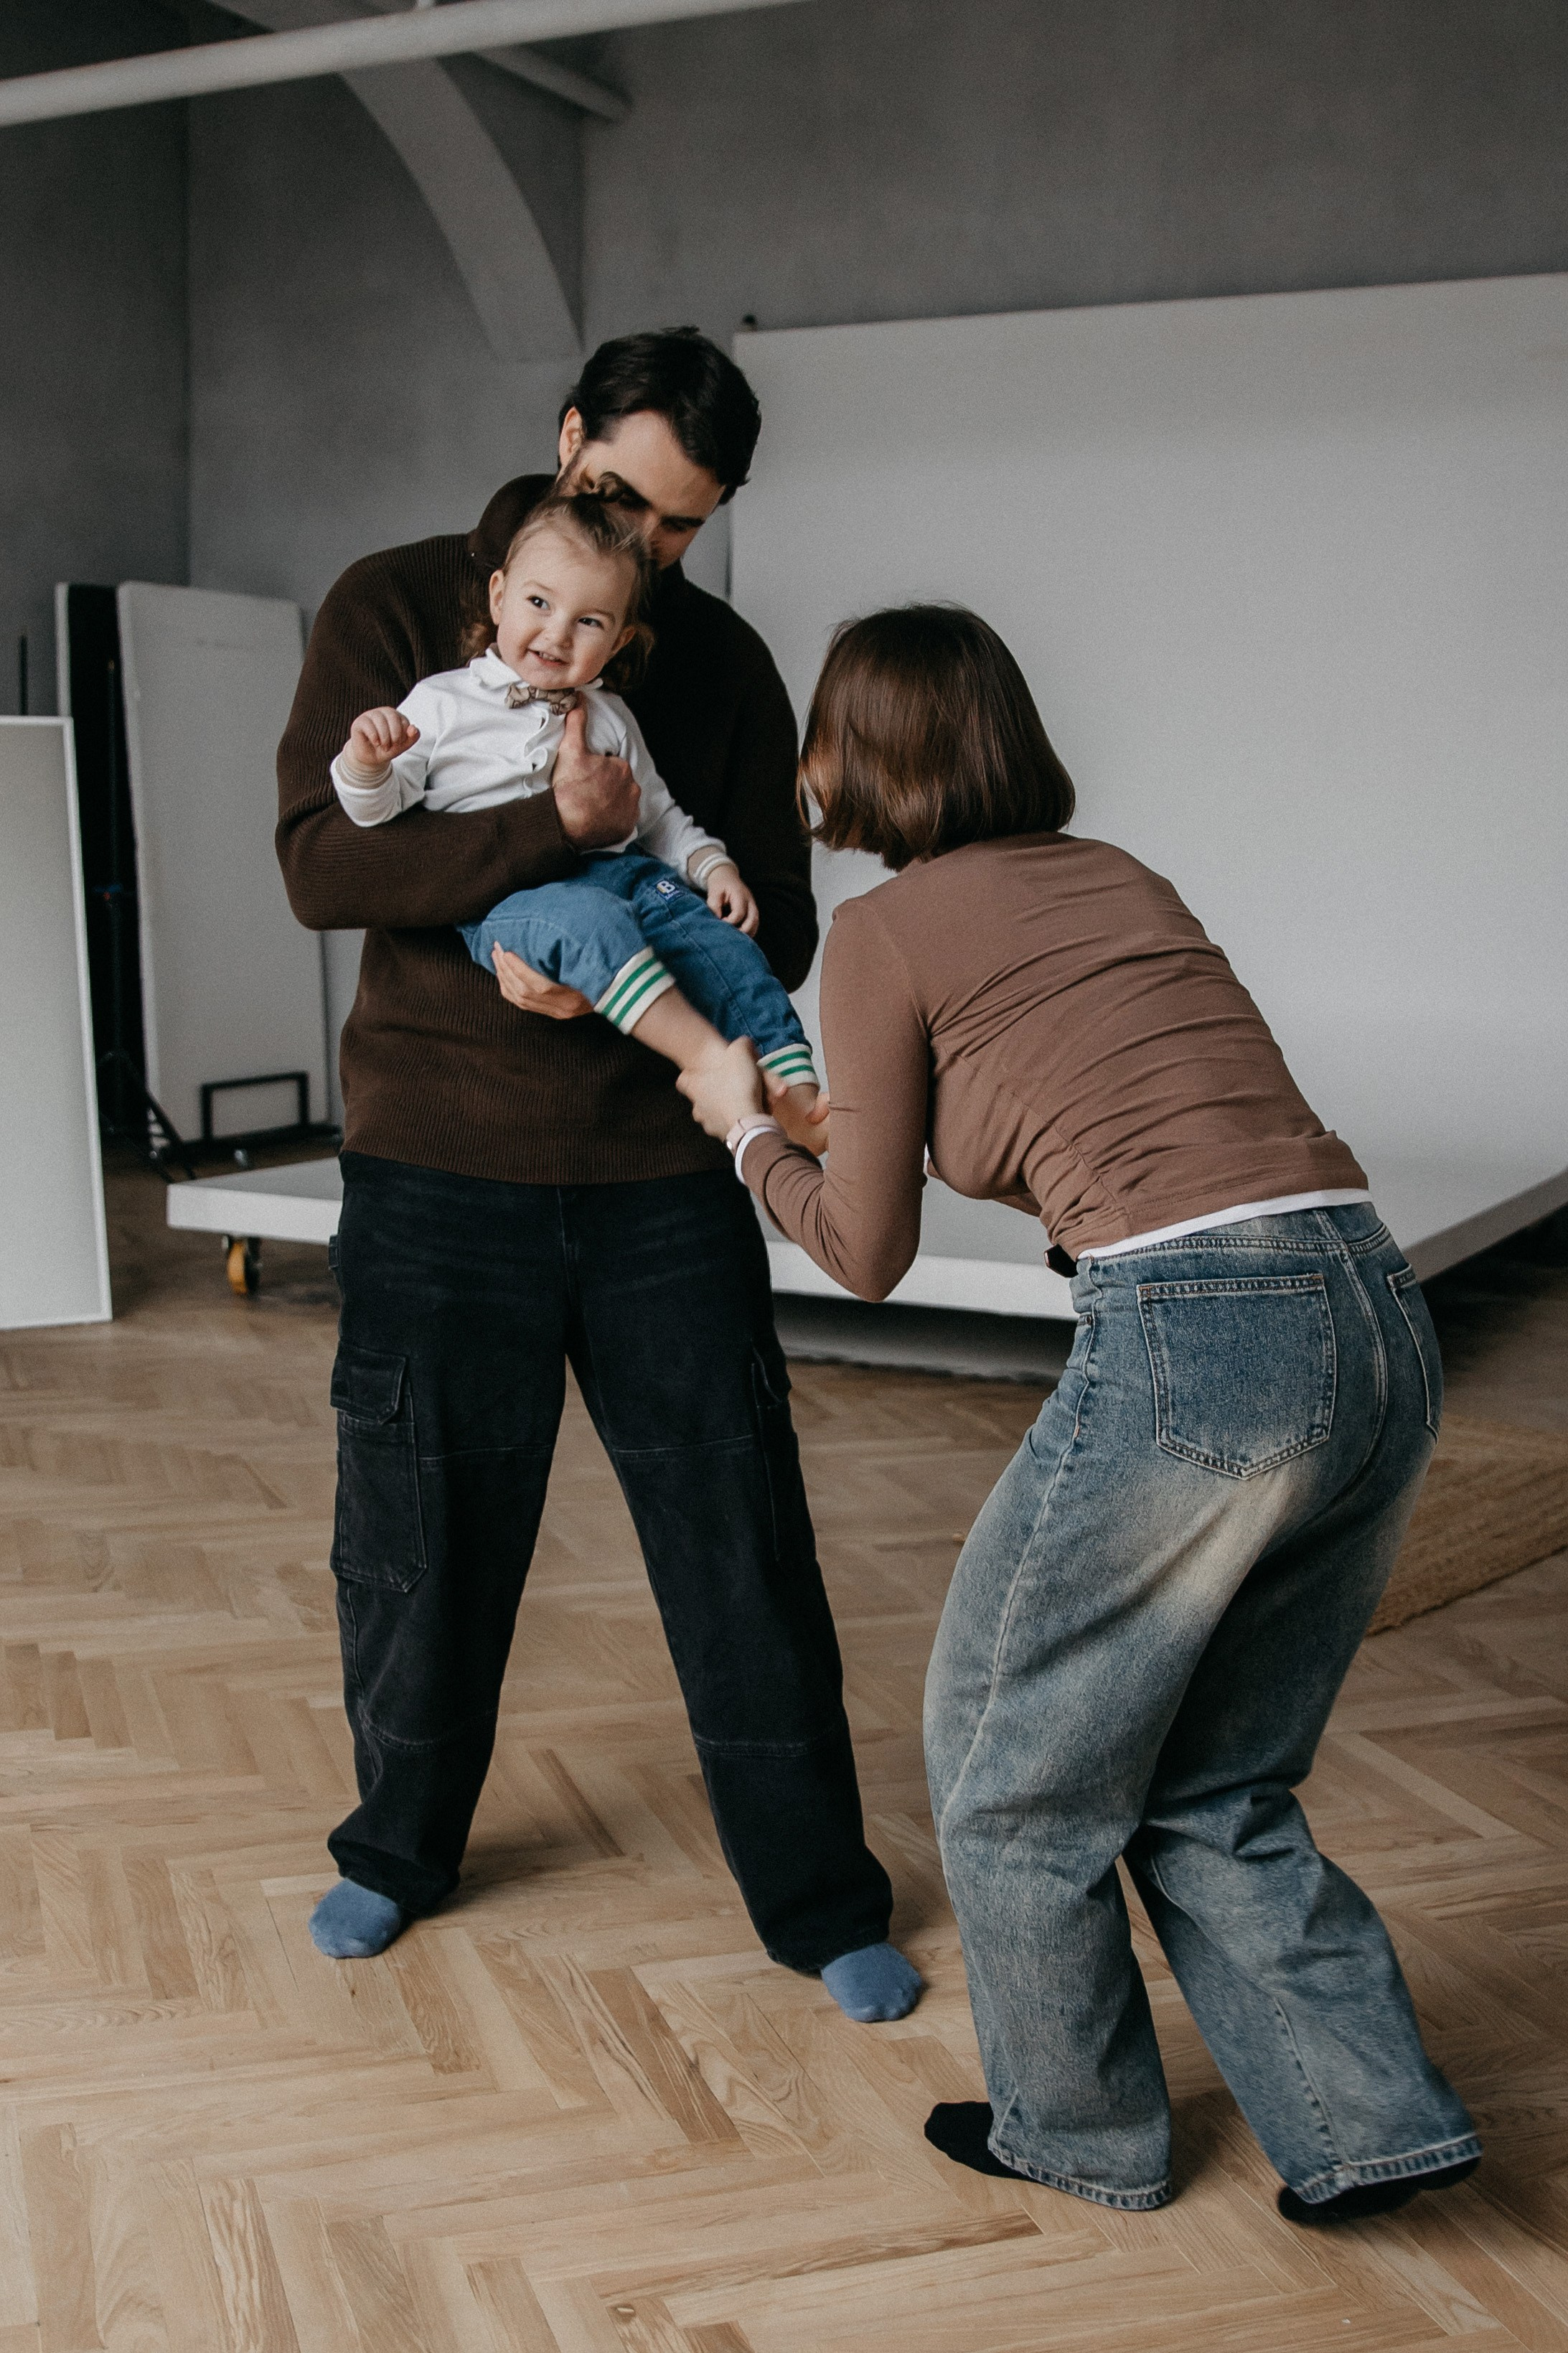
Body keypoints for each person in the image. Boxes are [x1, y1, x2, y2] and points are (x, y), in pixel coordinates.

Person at [680, 604, 1480, 2217]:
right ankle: (1368, 2122)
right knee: (1214, 1776)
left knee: (1007, 1763)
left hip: (1205, 1337)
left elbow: (866, 1250)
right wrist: (834, 1118)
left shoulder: (884, 931)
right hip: (1375, 1312)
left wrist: (741, 1134)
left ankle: (1083, 2129)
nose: (808, 761)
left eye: (824, 731)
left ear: (862, 755)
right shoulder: (1119, 878)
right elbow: (1039, 1098)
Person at [276, 327, 919, 2027]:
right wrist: (536, 873)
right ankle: (399, 1849)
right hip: (435, 1157)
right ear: (563, 444)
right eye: (620, 497)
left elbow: (767, 902)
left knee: (739, 1536)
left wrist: (679, 915)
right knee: (416, 1534)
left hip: (659, 1172)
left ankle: (817, 1897)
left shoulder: (713, 657)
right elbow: (322, 861)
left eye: (687, 525)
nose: (647, 546)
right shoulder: (396, 603)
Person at [332, 490, 822, 1134]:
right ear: (498, 594)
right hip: (510, 900)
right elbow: (378, 812)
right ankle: (704, 1060)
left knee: (714, 937)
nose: (558, 635)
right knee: (588, 921)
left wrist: (715, 865)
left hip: (627, 880)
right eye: (539, 603)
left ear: (618, 639)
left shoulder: (611, 714)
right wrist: (367, 765)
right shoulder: (440, 702)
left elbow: (658, 814)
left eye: (589, 622)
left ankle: (797, 1094)